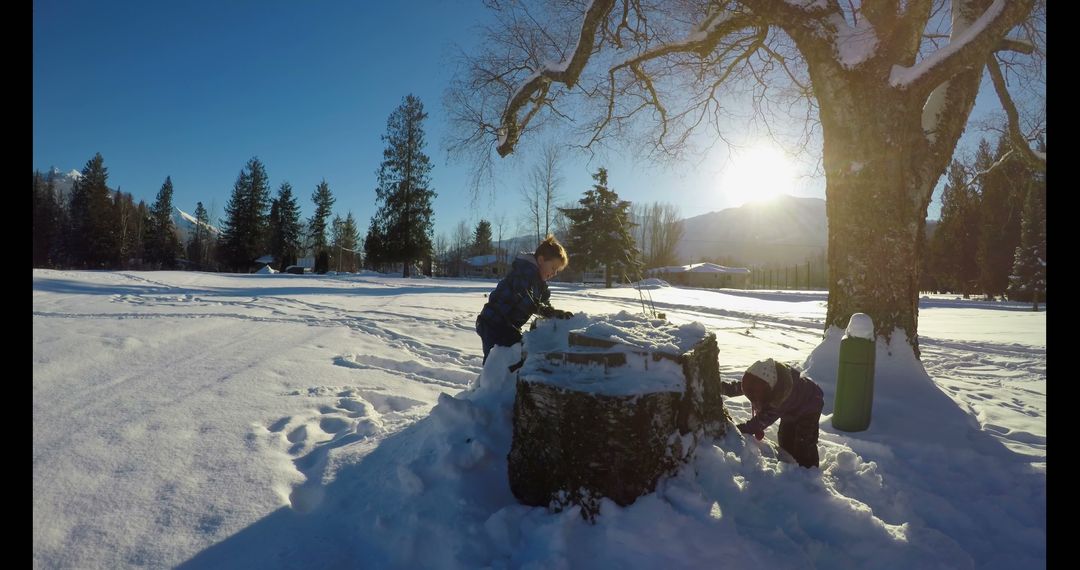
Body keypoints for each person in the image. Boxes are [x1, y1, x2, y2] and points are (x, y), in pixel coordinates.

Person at [475, 235, 573, 366]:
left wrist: (554, 313)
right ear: (541, 260)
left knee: (518, 353)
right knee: (496, 361)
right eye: (553, 268)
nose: (554, 273)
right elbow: (527, 298)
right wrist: (547, 312)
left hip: (506, 325)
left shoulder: (539, 284)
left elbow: (542, 302)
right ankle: (490, 384)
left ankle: (505, 379)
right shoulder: (525, 272)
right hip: (492, 323)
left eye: (557, 271)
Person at [720, 358, 824, 468]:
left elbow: (760, 422)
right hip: (791, 409)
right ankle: (791, 465)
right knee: (785, 438)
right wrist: (724, 388)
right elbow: (744, 388)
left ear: (768, 390)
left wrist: (738, 430)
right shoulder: (764, 383)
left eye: (755, 397)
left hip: (810, 407)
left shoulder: (778, 397)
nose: (753, 398)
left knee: (804, 442)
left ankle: (809, 470)